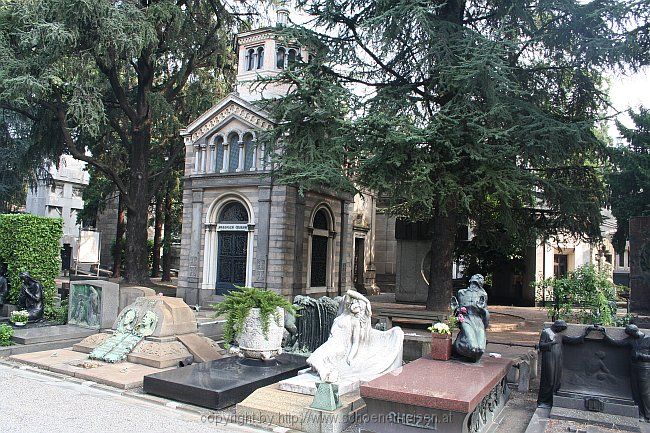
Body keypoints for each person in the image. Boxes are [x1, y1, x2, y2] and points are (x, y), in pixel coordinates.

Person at [307, 290, 404, 383]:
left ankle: (326, 374)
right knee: (314, 358)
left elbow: (355, 343)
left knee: (316, 359)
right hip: (330, 343)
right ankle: (327, 373)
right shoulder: (343, 313)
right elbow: (349, 292)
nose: (356, 305)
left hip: (339, 346)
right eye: (356, 303)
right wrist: (366, 301)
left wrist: (351, 357)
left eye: (360, 307)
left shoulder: (355, 322)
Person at [601, 324, 650, 421]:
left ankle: (648, 415)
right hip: (633, 368)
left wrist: (642, 356)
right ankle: (640, 413)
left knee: (645, 393)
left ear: (635, 331)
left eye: (630, 333)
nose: (629, 336)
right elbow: (617, 343)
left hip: (644, 368)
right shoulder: (631, 339)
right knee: (635, 392)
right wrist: (604, 335)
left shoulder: (648, 339)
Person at [537, 320, 591, 408]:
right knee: (549, 379)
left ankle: (551, 400)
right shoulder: (546, 332)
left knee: (556, 380)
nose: (561, 330)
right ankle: (543, 401)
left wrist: (585, 335)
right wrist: (552, 343)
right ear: (556, 326)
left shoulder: (560, 335)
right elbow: (541, 345)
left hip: (557, 359)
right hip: (548, 358)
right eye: (560, 328)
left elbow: (572, 340)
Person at [451, 274, 490, 361]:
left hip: (478, 321)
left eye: (476, 284)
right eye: (473, 283)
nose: (474, 286)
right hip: (466, 319)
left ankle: (468, 356)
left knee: (481, 349)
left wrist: (482, 309)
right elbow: (458, 310)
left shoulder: (483, 294)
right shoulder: (461, 293)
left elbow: (485, 313)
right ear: (470, 281)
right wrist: (456, 309)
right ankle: (457, 350)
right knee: (473, 347)